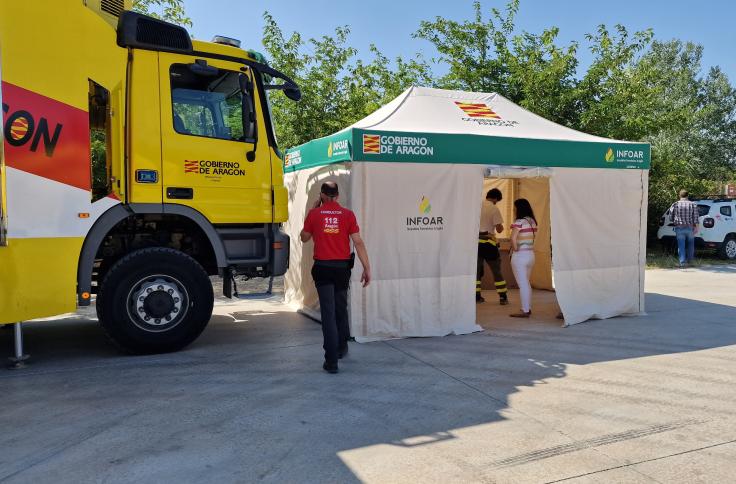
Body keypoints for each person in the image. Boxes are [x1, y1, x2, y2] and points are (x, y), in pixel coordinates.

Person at [300, 181, 371, 374]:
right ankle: (341, 348)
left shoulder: (315, 214)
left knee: (328, 315)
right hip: (342, 269)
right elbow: (358, 242)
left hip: (323, 268)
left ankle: (331, 361)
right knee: (341, 309)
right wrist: (367, 267)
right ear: (337, 196)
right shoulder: (348, 215)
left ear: (322, 195)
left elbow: (304, 237)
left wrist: (313, 211)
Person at [477, 188, 508, 305]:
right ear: (495, 198)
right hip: (489, 244)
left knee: (477, 271)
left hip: (476, 244)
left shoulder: (476, 206)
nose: (496, 202)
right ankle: (503, 297)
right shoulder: (494, 208)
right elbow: (499, 229)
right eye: (497, 200)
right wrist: (502, 227)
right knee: (496, 271)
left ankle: (477, 296)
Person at [509, 199, 538, 318]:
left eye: (515, 207)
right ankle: (527, 308)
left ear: (519, 208)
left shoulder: (519, 221)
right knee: (526, 283)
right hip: (531, 255)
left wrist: (515, 249)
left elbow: (513, 238)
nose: (513, 209)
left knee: (523, 284)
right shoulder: (532, 222)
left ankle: (525, 310)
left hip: (520, 256)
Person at [669, 189, 699, 267]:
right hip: (690, 227)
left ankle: (682, 262)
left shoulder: (675, 204)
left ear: (679, 195)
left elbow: (670, 216)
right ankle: (690, 261)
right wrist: (696, 228)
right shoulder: (693, 204)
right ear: (687, 195)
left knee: (681, 245)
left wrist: (674, 221)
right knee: (691, 244)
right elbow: (696, 217)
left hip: (679, 227)